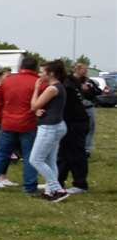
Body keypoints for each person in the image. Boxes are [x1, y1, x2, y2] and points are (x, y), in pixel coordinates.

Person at [0, 54, 40, 192]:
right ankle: (30, 185)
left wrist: (0, 116)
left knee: (2, 153)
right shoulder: (38, 82)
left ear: (21, 66)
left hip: (8, 122)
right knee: (29, 156)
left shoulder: (8, 81)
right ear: (36, 68)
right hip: (29, 123)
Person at [29, 60, 71, 202]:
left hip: (49, 128)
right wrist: (39, 111)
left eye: (42, 72)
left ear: (51, 73)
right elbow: (44, 108)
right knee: (50, 160)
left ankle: (57, 189)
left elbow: (34, 105)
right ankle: (50, 191)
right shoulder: (59, 87)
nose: (40, 75)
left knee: (35, 160)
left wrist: (36, 89)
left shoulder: (51, 89)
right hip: (57, 126)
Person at [59, 61, 96, 194]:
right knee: (64, 153)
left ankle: (80, 184)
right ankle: (57, 181)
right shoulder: (69, 83)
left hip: (76, 122)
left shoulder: (68, 85)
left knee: (76, 153)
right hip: (71, 121)